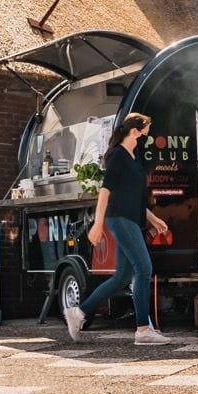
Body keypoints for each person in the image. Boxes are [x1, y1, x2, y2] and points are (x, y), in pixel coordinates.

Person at [63, 113, 170, 346]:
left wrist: (153, 219)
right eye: (146, 131)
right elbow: (105, 191)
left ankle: (79, 312)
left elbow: (133, 197)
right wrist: (98, 224)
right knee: (144, 268)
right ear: (135, 132)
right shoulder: (119, 156)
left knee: (123, 276)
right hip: (120, 219)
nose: (147, 136)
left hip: (131, 218)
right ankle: (143, 330)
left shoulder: (133, 156)